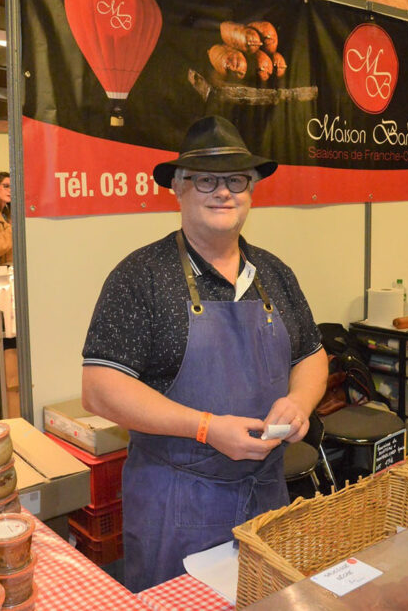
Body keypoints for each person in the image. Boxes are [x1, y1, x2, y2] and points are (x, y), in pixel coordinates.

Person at [80, 115, 327, 592]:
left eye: (236, 179)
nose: (223, 192)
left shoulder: (275, 273)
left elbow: (312, 356)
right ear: (177, 187)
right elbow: (99, 390)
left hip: (265, 501)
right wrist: (206, 428)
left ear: (253, 188)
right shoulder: (141, 276)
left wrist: (300, 402)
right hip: (176, 506)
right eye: (206, 180)